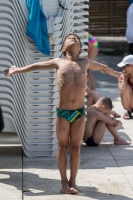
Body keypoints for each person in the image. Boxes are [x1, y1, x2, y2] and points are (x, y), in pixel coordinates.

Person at [4, 34, 121, 195]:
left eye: (76, 39)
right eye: (70, 38)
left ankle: (73, 181)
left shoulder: (85, 62)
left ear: (81, 48)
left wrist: (117, 74)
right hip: (63, 113)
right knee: (62, 146)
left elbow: (103, 68)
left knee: (75, 148)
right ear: (63, 48)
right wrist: (17, 70)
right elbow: (37, 65)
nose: (73, 38)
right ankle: (64, 182)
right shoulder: (58, 62)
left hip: (79, 113)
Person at [117, 54, 133, 119]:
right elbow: (122, 88)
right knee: (125, 89)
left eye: (124, 67)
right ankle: (129, 111)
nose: (122, 68)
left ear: (131, 66)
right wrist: (123, 78)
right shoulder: (125, 75)